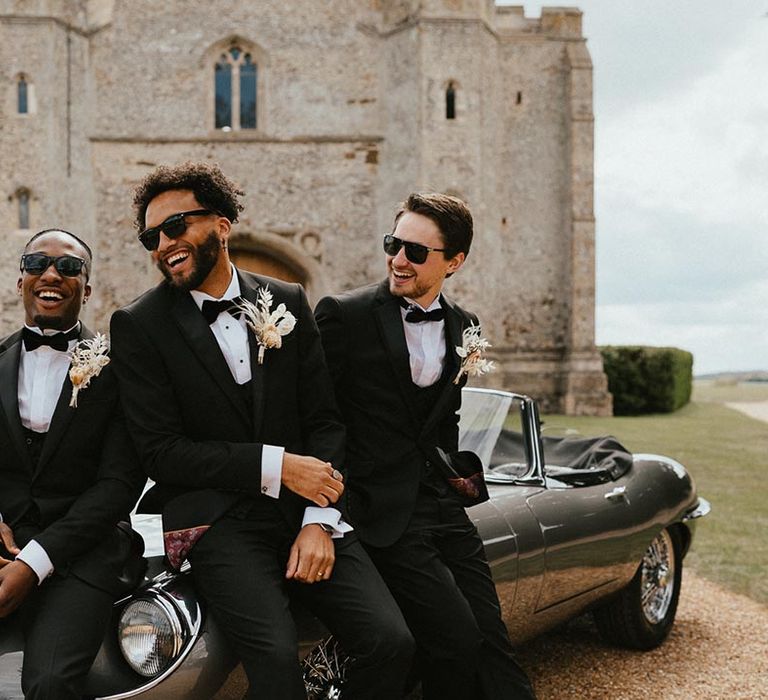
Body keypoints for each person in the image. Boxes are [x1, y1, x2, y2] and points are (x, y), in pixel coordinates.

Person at [109, 162, 413, 700]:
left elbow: (324, 421)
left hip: (305, 510)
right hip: (216, 522)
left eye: (176, 226)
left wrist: (320, 519)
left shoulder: (288, 300)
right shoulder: (139, 326)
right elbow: (162, 453)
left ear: (222, 224)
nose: (163, 244)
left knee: (390, 641)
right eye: (151, 237)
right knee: (273, 660)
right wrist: (277, 465)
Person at [315, 193, 537, 700]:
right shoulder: (343, 315)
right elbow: (318, 417)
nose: (398, 259)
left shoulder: (465, 325)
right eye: (394, 244)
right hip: (379, 511)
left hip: (443, 506)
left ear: (453, 262)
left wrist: (456, 471)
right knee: (455, 637)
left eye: (416, 252)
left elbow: (443, 420)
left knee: (492, 640)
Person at [0, 229, 145, 700]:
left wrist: (33, 562)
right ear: (20, 279)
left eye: (68, 268)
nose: (51, 274)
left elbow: (118, 486)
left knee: (49, 683)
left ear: (86, 289)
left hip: (85, 552)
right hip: (4, 543)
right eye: (38, 263)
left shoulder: (118, 369)